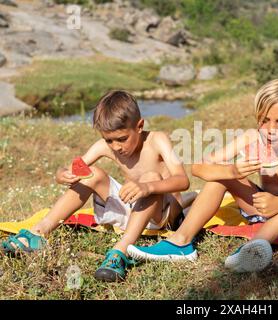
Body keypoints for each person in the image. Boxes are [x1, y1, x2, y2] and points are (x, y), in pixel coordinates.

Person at [127, 79, 278, 273]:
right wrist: (232, 172)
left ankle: (254, 248)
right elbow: (199, 167)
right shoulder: (252, 137)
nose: (270, 129)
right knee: (220, 173)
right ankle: (181, 242)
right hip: (263, 207)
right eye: (265, 120)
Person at [1, 90, 195, 281]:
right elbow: (72, 167)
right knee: (91, 174)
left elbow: (182, 180)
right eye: (108, 140)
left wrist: (148, 187)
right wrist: (62, 174)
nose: (116, 147)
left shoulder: (158, 140)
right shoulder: (105, 146)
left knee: (150, 176)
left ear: (139, 126)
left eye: (122, 139)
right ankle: (38, 234)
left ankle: (119, 252)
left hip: (164, 215)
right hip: (133, 210)